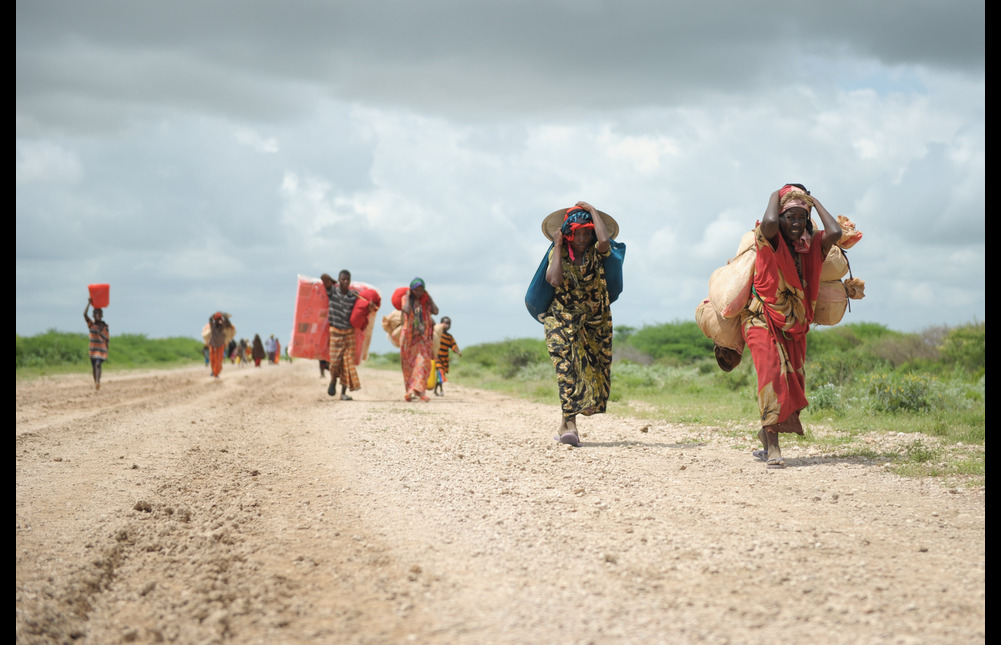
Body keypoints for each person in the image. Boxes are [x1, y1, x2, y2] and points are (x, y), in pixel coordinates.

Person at [741, 184, 841, 468]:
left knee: (792, 383)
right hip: (760, 317)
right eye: (791, 217)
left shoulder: (812, 245)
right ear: (781, 218)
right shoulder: (768, 239)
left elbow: (835, 232)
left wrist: (812, 201)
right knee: (772, 376)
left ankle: (765, 432)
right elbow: (771, 221)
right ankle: (773, 447)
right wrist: (777, 193)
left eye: (802, 218)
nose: (796, 224)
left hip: (795, 324)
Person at [542, 201, 616, 446]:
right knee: (567, 369)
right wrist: (559, 244)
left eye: (587, 232)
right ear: (568, 233)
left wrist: (594, 211)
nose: (583, 237)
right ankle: (571, 425)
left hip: (594, 321)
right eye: (577, 232)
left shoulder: (597, 250)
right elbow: (554, 280)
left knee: (591, 370)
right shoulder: (558, 252)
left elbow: (605, 242)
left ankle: (564, 423)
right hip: (561, 319)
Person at [321, 270, 362, 400]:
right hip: (336, 333)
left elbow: (363, 306)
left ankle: (343, 393)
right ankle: (333, 381)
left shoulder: (354, 295)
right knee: (334, 363)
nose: (345, 282)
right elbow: (324, 276)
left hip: (349, 333)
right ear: (339, 280)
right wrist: (334, 282)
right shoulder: (332, 291)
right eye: (343, 279)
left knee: (347, 364)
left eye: (347, 279)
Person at [400, 277, 438, 402]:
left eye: (422, 290)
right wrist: (407, 295)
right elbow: (405, 310)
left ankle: (421, 392)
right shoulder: (406, 299)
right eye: (416, 290)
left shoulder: (425, 301)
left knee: (423, 363)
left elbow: (436, 311)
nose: (419, 292)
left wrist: (430, 298)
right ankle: (410, 391)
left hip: (423, 338)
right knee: (409, 366)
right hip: (409, 339)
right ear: (412, 290)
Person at [83, 298, 109, 390]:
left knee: (98, 364)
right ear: (93, 315)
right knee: (94, 366)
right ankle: (96, 382)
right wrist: (89, 303)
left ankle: (98, 382)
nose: (97, 315)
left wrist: (107, 351)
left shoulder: (105, 326)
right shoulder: (91, 325)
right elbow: (84, 314)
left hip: (102, 350)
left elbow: (107, 340)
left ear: (102, 315)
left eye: (99, 313)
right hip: (93, 349)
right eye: (96, 313)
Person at [433, 316, 462, 396]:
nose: (447, 325)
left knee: (441, 375)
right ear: (441, 324)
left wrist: (458, 352)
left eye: (449, 324)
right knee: (440, 373)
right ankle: (440, 390)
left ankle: (436, 390)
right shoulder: (437, 334)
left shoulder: (449, 337)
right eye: (445, 323)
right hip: (436, 357)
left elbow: (453, 345)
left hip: (444, 358)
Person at [207, 312, 232, 378]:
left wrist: (224, 316)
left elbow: (229, 324)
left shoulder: (223, 326)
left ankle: (216, 373)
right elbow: (210, 319)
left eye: (219, 319)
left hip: (220, 344)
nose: (218, 321)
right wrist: (213, 315)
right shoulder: (212, 325)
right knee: (212, 359)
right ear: (215, 320)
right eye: (217, 319)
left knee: (218, 360)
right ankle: (214, 371)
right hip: (212, 344)